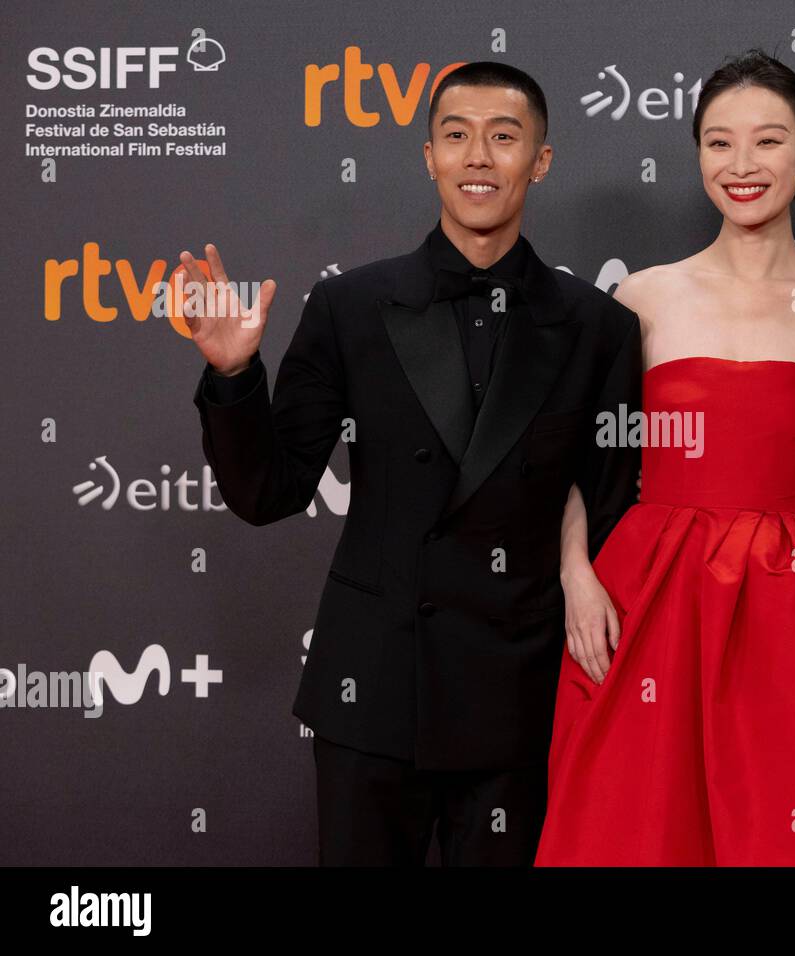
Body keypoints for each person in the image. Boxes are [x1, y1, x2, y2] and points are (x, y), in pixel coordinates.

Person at [185, 61, 641, 865]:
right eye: (456, 136)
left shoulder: (597, 327)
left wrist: (573, 565)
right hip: (374, 689)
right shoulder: (350, 306)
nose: (477, 157)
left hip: (520, 698)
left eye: (504, 138)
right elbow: (269, 489)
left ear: (540, 159)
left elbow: (607, 504)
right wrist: (233, 376)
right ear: (427, 155)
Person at [534, 50, 795, 866]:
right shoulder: (643, 297)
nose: (743, 165)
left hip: (791, 608)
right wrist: (576, 573)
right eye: (719, 144)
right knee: (639, 824)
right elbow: (580, 460)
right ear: (697, 156)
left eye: (768, 141)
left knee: (782, 827)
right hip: (649, 601)